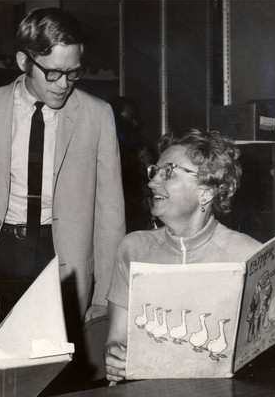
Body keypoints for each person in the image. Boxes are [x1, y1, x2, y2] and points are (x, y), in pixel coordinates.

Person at [0, 7, 125, 339]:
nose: (64, 85)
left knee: (53, 370)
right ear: (24, 61)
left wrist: (103, 297)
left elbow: (110, 213)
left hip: (60, 256)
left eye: (73, 73)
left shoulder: (98, 115)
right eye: (53, 73)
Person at [104, 129, 263, 382]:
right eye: (154, 171)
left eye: (168, 172)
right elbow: (117, 339)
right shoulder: (133, 248)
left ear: (206, 192)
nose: (153, 182)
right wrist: (114, 356)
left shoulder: (249, 255)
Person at [109, 96, 156, 232]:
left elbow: (151, 184)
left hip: (137, 215)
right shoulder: (108, 150)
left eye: (137, 119)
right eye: (129, 119)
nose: (135, 123)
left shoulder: (141, 150)